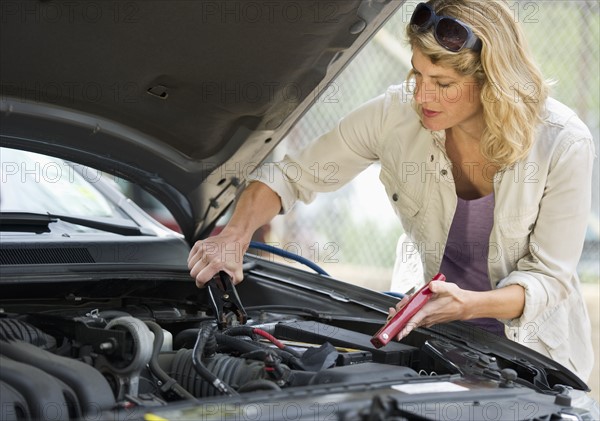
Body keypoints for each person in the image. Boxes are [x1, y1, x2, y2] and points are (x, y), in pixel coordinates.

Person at [188, 0, 595, 382]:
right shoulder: (395, 115)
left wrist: (468, 304)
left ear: (493, 80)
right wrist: (234, 236)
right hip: (440, 341)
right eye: (417, 73)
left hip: (533, 355)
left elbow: (549, 278)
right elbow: (291, 176)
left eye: (443, 82)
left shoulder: (561, 143)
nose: (422, 95)